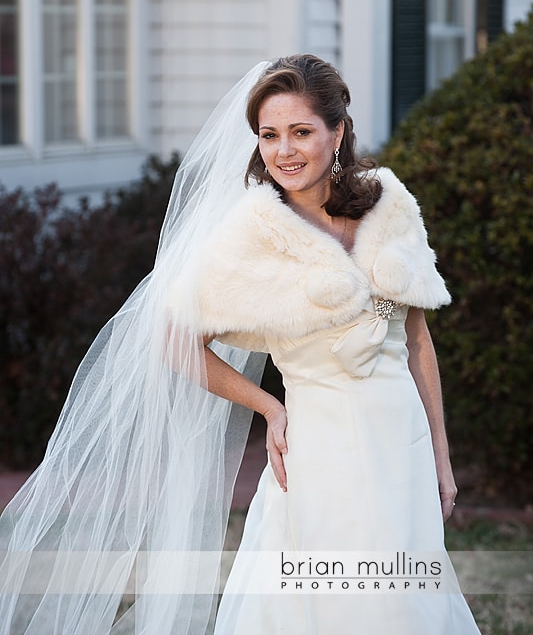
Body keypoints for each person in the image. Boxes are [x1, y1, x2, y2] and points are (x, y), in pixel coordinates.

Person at [0, 55, 481, 634]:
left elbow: (417, 338)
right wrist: (268, 406)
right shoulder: (251, 236)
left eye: (301, 131)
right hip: (320, 452)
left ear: (339, 132)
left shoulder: (389, 203)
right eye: (269, 135)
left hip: (400, 444)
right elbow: (175, 341)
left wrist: (441, 455)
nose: (285, 151)